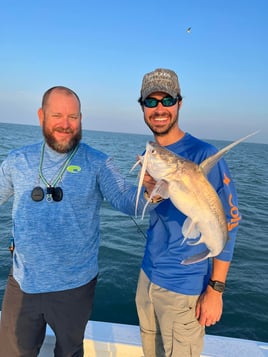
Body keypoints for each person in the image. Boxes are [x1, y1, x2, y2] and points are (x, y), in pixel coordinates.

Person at [0, 86, 154, 357]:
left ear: (81, 119)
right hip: (22, 283)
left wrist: (152, 188)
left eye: (73, 117)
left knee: (70, 352)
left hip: (75, 286)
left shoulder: (98, 162)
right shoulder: (17, 160)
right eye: (57, 115)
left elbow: (127, 201)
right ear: (41, 116)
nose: (66, 124)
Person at [135, 68, 241, 357]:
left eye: (167, 101)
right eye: (151, 102)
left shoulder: (204, 154)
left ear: (179, 103)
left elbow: (229, 222)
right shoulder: (154, 156)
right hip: (148, 278)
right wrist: (149, 191)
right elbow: (154, 205)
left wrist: (216, 289)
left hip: (184, 288)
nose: (159, 109)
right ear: (142, 107)